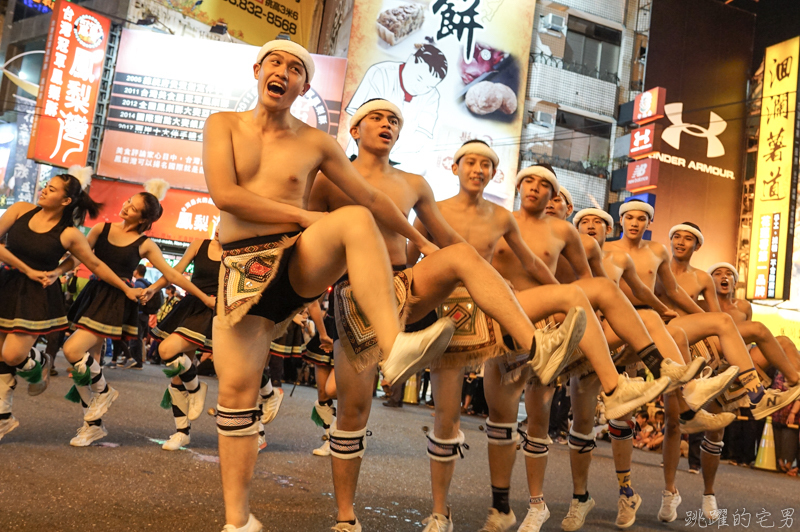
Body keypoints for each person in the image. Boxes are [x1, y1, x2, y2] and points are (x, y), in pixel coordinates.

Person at [203, 40, 459, 532]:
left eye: (296, 68)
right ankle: (239, 521)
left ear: (303, 86)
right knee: (237, 395)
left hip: (298, 255)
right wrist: (302, 213)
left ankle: (395, 346)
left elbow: (372, 199)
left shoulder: (317, 142)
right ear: (258, 71)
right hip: (242, 267)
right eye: (276, 63)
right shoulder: (223, 125)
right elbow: (225, 194)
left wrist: (423, 240)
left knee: (356, 216)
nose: (284, 72)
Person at [310, 105, 585, 532]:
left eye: (394, 121)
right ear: (355, 127)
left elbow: (451, 243)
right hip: (355, 295)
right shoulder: (329, 179)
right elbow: (308, 236)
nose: (387, 125)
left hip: (408, 289)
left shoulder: (416, 185)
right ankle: (345, 517)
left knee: (450, 408)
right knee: (353, 409)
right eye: (378, 118)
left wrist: (491, 280)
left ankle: (537, 347)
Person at [407, 148, 672, 532]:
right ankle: (440, 512)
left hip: (515, 321)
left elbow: (545, 268)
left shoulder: (510, 221)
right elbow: (408, 258)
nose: (478, 170)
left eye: (486, 164)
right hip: (455, 318)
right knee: (447, 417)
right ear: (456, 166)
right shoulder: (434, 210)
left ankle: (518, 505)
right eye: (471, 162)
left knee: (535, 416)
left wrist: (565, 303)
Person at [59, 178, 217, 447]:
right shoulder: (101, 228)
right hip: (92, 295)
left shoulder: (145, 244)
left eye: (133, 207)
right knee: (87, 365)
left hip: (115, 300)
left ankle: (105, 394)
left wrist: (203, 297)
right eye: (128, 202)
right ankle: (92, 426)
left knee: (73, 350)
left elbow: (172, 274)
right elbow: (80, 256)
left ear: (144, 219)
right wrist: (56, 271)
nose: (126, 207)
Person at [0, 168, 138, 442]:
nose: (43, 190)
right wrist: (26, 269)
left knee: (13, 356)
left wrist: (125, 288)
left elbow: (93, 262)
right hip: (7, 284)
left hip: (36, 295)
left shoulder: (70, 234)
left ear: (65, 201)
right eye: (45, 185)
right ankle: (4, 418)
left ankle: (41, 362)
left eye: (51, 189)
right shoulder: (18, 210)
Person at [147, 234, 221, 451]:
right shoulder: (199, 244)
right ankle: (182, 432)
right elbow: (175, 271)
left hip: (214, 311)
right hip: (190, 306)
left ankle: (196, 387)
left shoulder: (238, 253)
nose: (220, 228)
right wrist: (154, 288)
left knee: (166, 349)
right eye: (220, 221)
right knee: (178, 376)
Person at [345, 44, 448, 170]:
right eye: (419, 79)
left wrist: (396, 154)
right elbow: (357, 118)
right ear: (410, 60)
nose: (420, 88)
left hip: (399, 163)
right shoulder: (380, 73)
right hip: (359, 157)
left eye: (428, 87)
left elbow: (424, 132)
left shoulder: (432, 95)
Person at [303, 298, 336, 456]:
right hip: (328, 328)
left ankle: (347, 432)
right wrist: (322, 333)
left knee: (334, 389)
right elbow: (313, 299)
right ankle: (331, 439)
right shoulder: (333, 273)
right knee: (322, 393)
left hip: (352, 332)